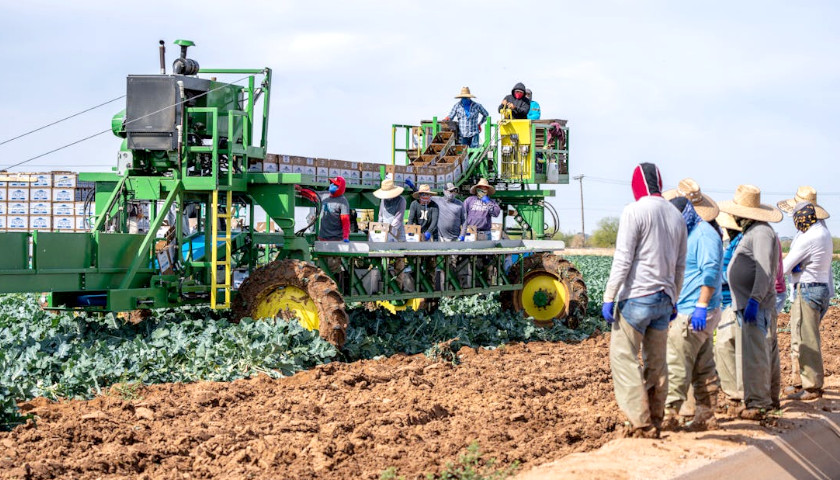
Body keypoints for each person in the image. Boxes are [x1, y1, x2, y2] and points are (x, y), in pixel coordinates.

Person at [602, 163, 687, 438]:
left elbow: (624, 257)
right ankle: (657, 416)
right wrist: (674, 297)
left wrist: (609, 295)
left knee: (623, 357)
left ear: (637, 185)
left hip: (637, 297)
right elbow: (680, 266)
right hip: (664, 299)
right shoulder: (677, 216)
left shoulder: (634, 211)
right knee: (657, 361)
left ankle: (641, 422)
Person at [661, 180, 722, 431]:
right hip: (691, 309)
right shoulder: (691, 234)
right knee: (702, 365)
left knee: (675, 363)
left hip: (694, 311)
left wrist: (701, 304)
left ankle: (668, 416)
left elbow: (710, 272)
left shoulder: (704, 235)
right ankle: (705, 414)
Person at [717, 184, 782, 420]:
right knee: (761, 353)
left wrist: (754, 299)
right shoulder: (755, 232)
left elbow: (765, 271)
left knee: (756, 356)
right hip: (751, 304)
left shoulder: (761, 233)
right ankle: (769, 400)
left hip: (756, 305)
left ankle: (758, 404)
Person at [777, 186, 832, 398]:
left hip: (808, 289)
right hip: (820, 288)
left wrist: (789, 266)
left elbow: (786, 266)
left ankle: (812, 386)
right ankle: (799, 382)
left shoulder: (810, 237)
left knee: (805, 338)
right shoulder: (822, 232)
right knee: (801, 336)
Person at [714, 212, 744, 414]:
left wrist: (714, 276)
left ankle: (736, 395)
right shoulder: (733, 243)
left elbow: (734, 273)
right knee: (728, 347)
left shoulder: (740, 243)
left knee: (725, 346)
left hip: (733, 301)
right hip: (726, 301)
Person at [433, 182, 468, 288]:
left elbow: (465, 221)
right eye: (450, 191)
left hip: (454, 239)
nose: (452, 193)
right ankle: (441, 289)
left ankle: (452, 290)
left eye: (454, 191)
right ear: (444, 191)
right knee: (441, 264)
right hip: (441, 238)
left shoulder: (460, 204)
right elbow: (424, 195)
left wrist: (462, 235)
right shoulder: (438, 200)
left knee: (453, 264)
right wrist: (412, 187)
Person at [295, 176, 350, 242]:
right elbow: (312, 194)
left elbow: (345, 221)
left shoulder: (343, 202)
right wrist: (300, 190)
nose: (332, 185)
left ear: (340, 188)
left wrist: (346, 237)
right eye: (332, 183)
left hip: (336, 239)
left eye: (335, 184)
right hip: (323, 237)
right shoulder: (324, 195)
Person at [374, 177, 406, 242]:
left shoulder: (401, 200)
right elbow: (380, 216)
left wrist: (389, 230)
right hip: (384, 231)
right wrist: (379, 229)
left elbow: (398, 219)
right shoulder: (383, 200)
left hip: (397, 233)